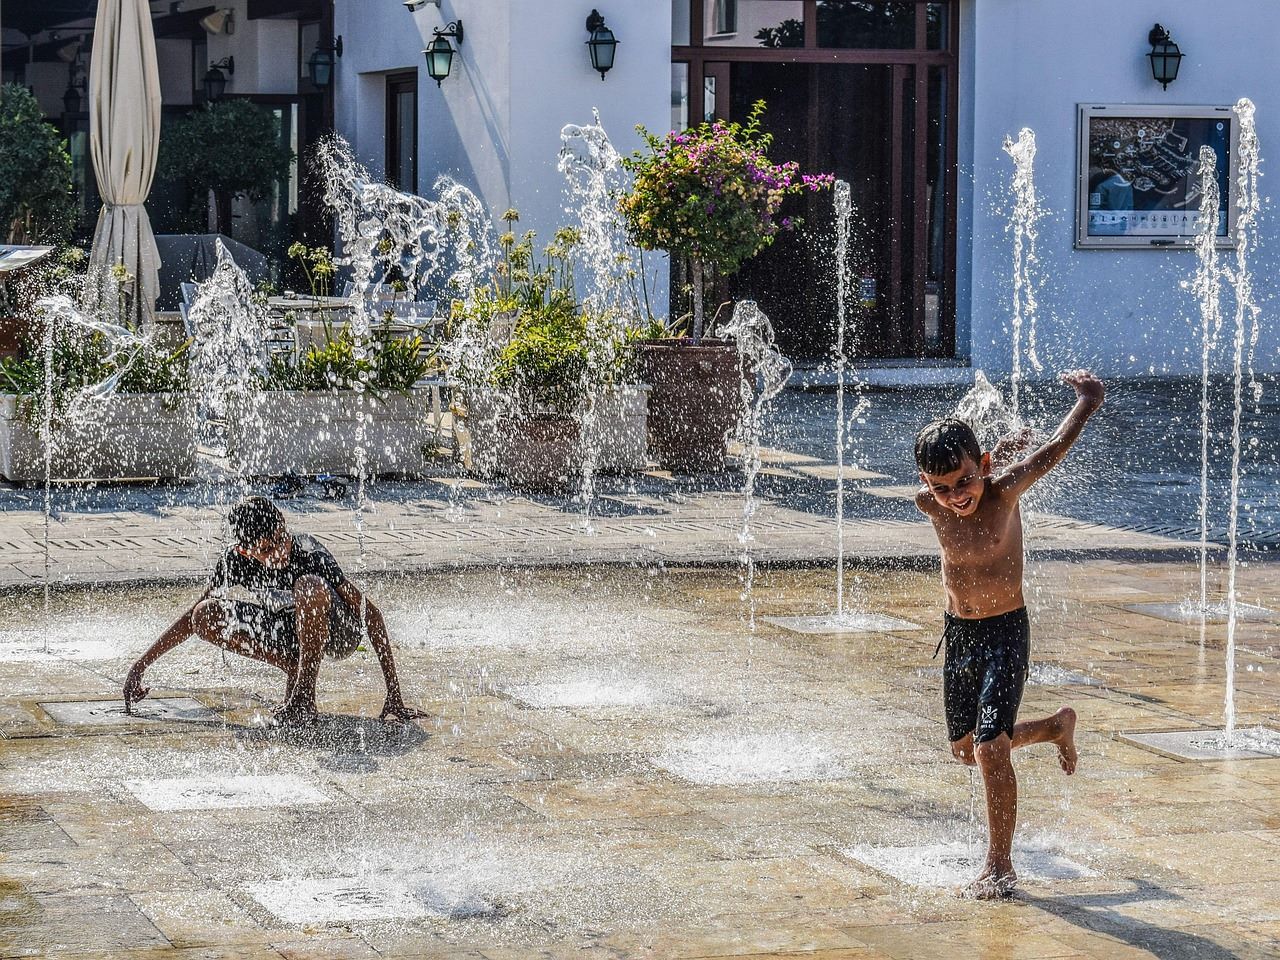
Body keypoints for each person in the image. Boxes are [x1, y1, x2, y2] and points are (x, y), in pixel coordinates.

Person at [913, 370, 1104, 899]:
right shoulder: (927, 504)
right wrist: (991, 451)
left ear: (986, 468)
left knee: (991, 750)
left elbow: (1055, 449)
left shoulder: (1003, 492)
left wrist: (1087, 402)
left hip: (1004, 633)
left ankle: (999, 865)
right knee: (967, 749)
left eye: (965, 481)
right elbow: (950, 482)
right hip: (959, 634)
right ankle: (1053, 728)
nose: (955, 496)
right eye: (942, 487)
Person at [123, 496, 426, 727]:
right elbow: (191, 619)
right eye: (267, 550)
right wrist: (141, 665)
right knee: (205, 614)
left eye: (281, 540)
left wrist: (394, 695)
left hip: (338, 633)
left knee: (309, 586)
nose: (279, 553)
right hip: (289, 633)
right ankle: (292, 667)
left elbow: (369, 614)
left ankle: (304, 698)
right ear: (245, 551)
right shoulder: (234, 561)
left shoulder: (309, 554)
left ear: (283, 524)